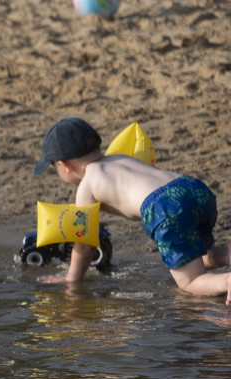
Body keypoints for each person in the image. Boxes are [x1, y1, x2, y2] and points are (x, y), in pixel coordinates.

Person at [34, 117, 231, 303]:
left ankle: (227, 281)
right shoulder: (119, 158)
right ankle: (227, 254)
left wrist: (71, 281)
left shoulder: (86, 186)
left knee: (190, 281)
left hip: (164, 207)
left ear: (65, 165)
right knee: (202, 255)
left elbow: (85, 246)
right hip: (193, 188)